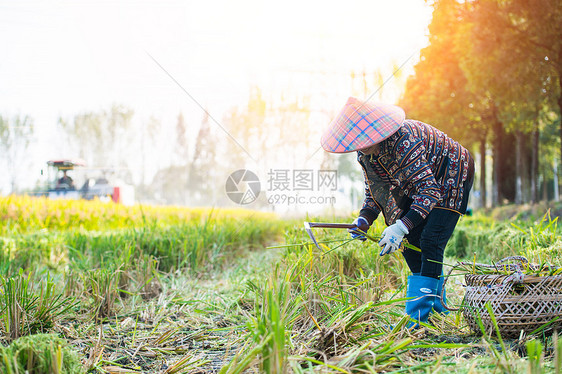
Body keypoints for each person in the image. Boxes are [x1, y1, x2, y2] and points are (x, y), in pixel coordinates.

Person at [321, 97, 474, 328]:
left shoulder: (403, 140)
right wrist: (364, 219)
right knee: (411, 241)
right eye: (357, 143)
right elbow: (375, 192)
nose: (361, 146)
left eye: (365, 140)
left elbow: (430, 192)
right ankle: (437, 308)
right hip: (416, 184)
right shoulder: (364, 155)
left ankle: (419, 319)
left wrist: (400, 226)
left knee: (430, 239)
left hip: (450, 174)